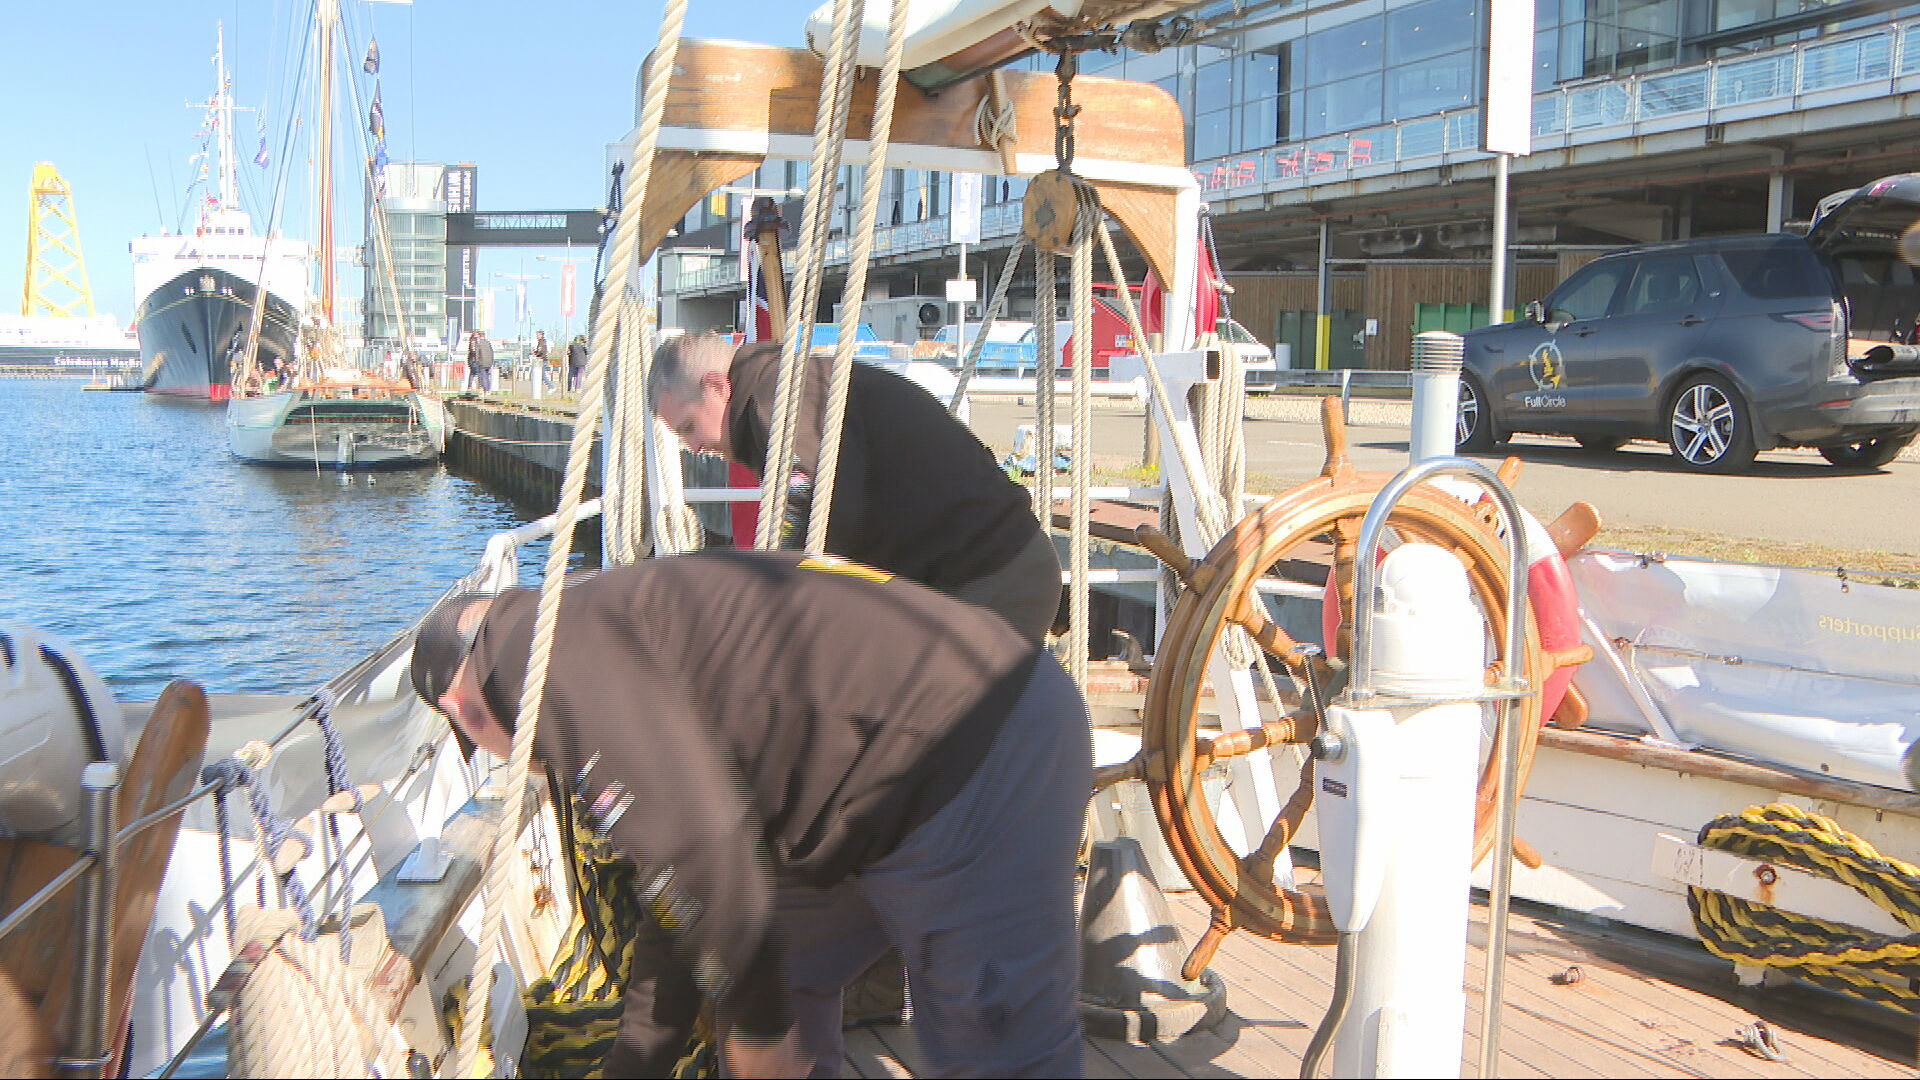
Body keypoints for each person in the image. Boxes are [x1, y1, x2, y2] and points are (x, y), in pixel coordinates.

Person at [410, 550, 1089, 1078]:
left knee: (996, 1051)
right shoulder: (583, 615)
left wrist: (763, 1032)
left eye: (483, 746)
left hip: (982, 752)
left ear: (458, 708)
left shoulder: (527, 655)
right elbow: (677, 895)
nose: (511, 759)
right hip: (866, 787)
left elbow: (703, 845)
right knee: (768, 976)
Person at [649, 330, 1061, 644]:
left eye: (688, 426)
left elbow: (812, 506)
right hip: (975, 575)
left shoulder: (780, 396)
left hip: (992, 578)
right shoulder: (782, 388)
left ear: (718, 387)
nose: (695, 446)